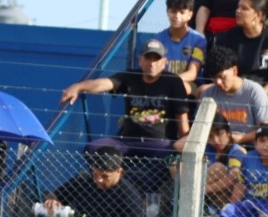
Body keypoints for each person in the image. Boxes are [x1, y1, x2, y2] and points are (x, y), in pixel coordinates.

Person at [60, 39, 191, 160]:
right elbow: (103, 83)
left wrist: (186, 143)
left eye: (156, 59)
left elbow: (181, 115)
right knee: (93, 148)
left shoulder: (173, 81)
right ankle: (114, 176)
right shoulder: (130, 76)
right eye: (148, 58)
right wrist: (78, 86)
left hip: (160, 143)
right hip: (127, 141)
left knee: (169, 154)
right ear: (140, 59)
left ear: (164, 62)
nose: (152, 63)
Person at [213, 0, 268, 124]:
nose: (238, 11)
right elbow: (220, 71)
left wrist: (257, 95)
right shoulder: (228, 37)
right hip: (235, 89)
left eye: (244, 8)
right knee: (203, 91)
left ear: (258, 15)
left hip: (265, 91)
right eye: (238, 7)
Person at [199, 45, 268, 145]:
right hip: (216, 144)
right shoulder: (208, 94)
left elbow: (265, 129)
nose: (218, 82)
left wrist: (241, 138)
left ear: (234, 71)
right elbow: (200, 127)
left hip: (248, 145)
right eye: (214, 78)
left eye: (222, 77)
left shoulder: (255, 91)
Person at [152, 0, 207, 92]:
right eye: (173, 11)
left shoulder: (199, 40)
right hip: (162, 85)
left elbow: (192, 74)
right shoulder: (157, 39)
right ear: (167, 12)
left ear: (190, 15)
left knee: (181, 86)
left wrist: (169, 82)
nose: (177, 16)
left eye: (182, 12)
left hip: (189, 85)